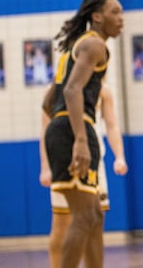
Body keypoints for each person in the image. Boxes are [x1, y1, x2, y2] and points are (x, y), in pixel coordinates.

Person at [41, 0, 124, 268]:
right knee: (83, 217)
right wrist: (79, 139)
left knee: (94, 216)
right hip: (73, 129)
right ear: (97, 16)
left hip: (65, 126)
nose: (121, 18)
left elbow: (48, 101)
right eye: (115, 12)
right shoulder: (95, 45)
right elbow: (72, 89)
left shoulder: (76, 48)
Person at [40, 83, 128, 268]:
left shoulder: (103, 90)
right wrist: (46, 167)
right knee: (61, 226)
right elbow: (45, 129)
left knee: (94, 224)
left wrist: (119, 156)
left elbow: (111, 125)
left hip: (95, 161)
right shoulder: (56, 89)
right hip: (64, 158)